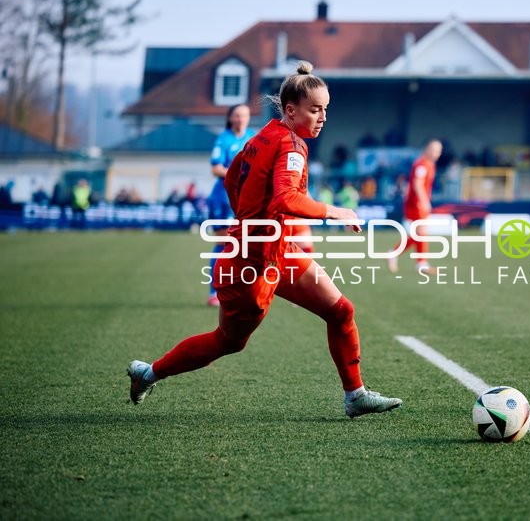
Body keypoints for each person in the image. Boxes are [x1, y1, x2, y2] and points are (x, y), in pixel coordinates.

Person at [127, 61, 402, 418]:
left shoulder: (265, 134)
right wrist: (334, 211)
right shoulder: (292, 146)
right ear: (291, 110)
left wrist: (249, 218)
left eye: (325, 109)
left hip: (276, 251)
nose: (323, 117)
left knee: (340, 311)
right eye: (315, 109)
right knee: (228, 341)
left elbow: (232, 177)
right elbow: (286, 198)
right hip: (251, 265)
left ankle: (355, 395)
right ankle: (148, 373)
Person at [206, 104, 256, 306]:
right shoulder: (223, 139)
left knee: (246, 244)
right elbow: (216, 168)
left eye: (244, 115)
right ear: (230, 118)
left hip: (245, 199)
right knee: (224, 243)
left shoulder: (253, 138)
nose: (240, 118)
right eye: (237, 115)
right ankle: (214, 291)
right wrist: (238, 175)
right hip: (223, 198)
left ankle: (240, 288)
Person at [386, 139, 442, 275]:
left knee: (419, 234)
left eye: (438, 151)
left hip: (417, 203)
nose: (435, 153)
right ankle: (420, 263)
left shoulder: (429, 164)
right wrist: (424, 201)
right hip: (416, 204)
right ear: (427, 149)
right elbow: (417, 184)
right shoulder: (421, 164)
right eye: (433, 150)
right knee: (421, 232)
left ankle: (398, 255)